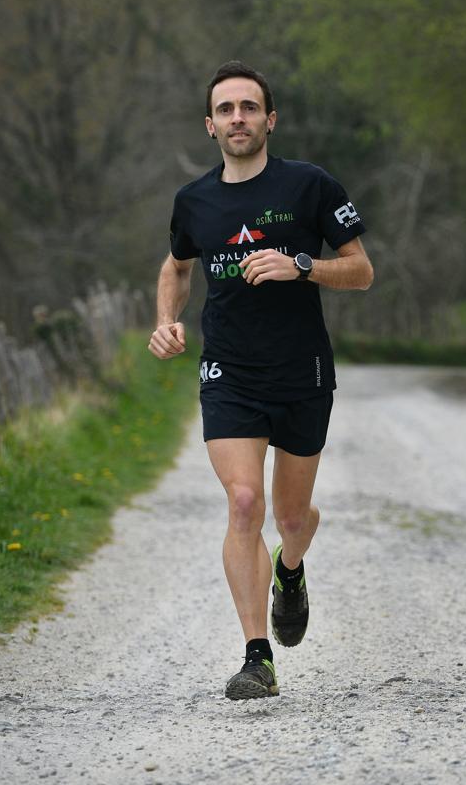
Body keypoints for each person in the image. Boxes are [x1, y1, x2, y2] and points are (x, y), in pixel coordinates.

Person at [148, 61, 373, 700]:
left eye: (250, 108)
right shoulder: (193, 200)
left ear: (269, 120)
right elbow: (177, 266)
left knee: (292, 515)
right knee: (245, 502)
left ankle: (291, 569)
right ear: (210, 125)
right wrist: (166, 320)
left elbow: (361, 271)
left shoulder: (311, 186)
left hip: (302, 370)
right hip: (230, 373)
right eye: (226, 109)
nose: (238, 118)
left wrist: (300, 265)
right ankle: (256, 656)